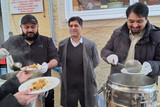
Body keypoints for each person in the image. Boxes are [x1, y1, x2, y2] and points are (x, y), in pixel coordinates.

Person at [1, 14, 59, 107]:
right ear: (21, 27)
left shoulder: (47, 41)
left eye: (33, 27)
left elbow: (55, 59)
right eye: (26, 27)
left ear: (38, 26)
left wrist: (47, 66)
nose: (30, 30)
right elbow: (2, 50)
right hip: (21, 90)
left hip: (44, 87)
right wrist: (1, 53)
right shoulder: (13, 40)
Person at [101, 2, 160, 84]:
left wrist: (151, 66)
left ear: (146, 19)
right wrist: (109, 55)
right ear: (127, 19)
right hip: (119, 83)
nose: (135, 25)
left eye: (139, 21)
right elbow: (105, 50)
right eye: (131, 21)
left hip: (143, 87)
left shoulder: (157, 36)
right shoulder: (118, 33)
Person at [58, 16, 99, 107]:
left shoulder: (90, 45)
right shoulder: (62, 45)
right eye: (71, 26)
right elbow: (60, 61)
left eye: (76, 25)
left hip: (85, 85)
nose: (73, 28)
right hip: (69, 86)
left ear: (81, 27)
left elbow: (95, 62)